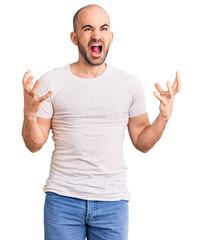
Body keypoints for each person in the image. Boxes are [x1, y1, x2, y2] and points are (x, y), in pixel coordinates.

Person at [21, 4, 181, 240]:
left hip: (112, 203)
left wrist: (164, 117)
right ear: (74, 38)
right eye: (88, 29)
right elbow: (34, 145)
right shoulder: (50, 82)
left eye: (103, 28)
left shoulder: (129, 85)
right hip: (63, 201)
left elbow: (142, 143)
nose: (96, 35)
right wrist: (29, 115)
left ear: (111, 36)